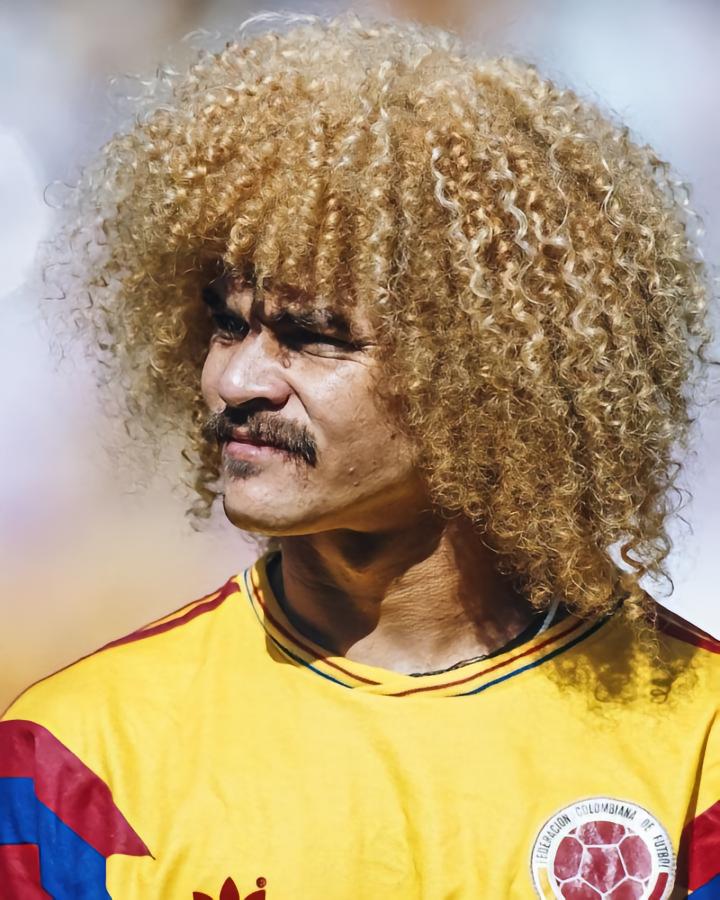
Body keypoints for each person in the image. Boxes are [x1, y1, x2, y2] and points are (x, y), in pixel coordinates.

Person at [1, 11, 718, 899]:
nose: (237, 380)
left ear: (490, 376)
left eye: (312, 336)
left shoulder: (699, 744)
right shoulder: (77, 763)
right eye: (227, 324)